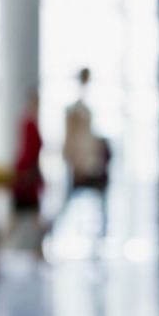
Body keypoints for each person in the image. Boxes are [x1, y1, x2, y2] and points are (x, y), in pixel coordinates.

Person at [62, 68, 111, 239]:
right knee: (67, 202)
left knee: (100, 199)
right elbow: (71, 140)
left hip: (88, 163)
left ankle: (101, 235)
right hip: (79, 164)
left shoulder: (85, 109)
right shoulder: (74, 111)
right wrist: (75, 164)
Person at [5, 90, 45, 259]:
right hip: (26, 176)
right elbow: (28, 151)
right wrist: (27, 174)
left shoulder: (32, 122)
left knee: (34, 217)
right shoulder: (28, 122)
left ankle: (40, 252)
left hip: (30, 175)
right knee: (17, 218)